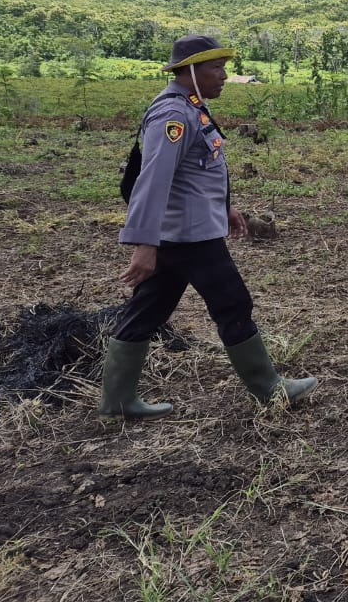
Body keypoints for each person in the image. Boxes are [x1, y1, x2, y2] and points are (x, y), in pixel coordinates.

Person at [98, 35, 317, 419]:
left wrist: (226, 208)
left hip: (187, 229)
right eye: (216, 68)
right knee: (233, 302)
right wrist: (144, 244)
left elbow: (196, 175)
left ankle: (117, 402)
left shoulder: (190, 107)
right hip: (186, 235)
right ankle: (269, 389)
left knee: (148, 310)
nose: (224, 75)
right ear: (192, 70)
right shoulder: (173, 115)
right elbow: (154, 181)